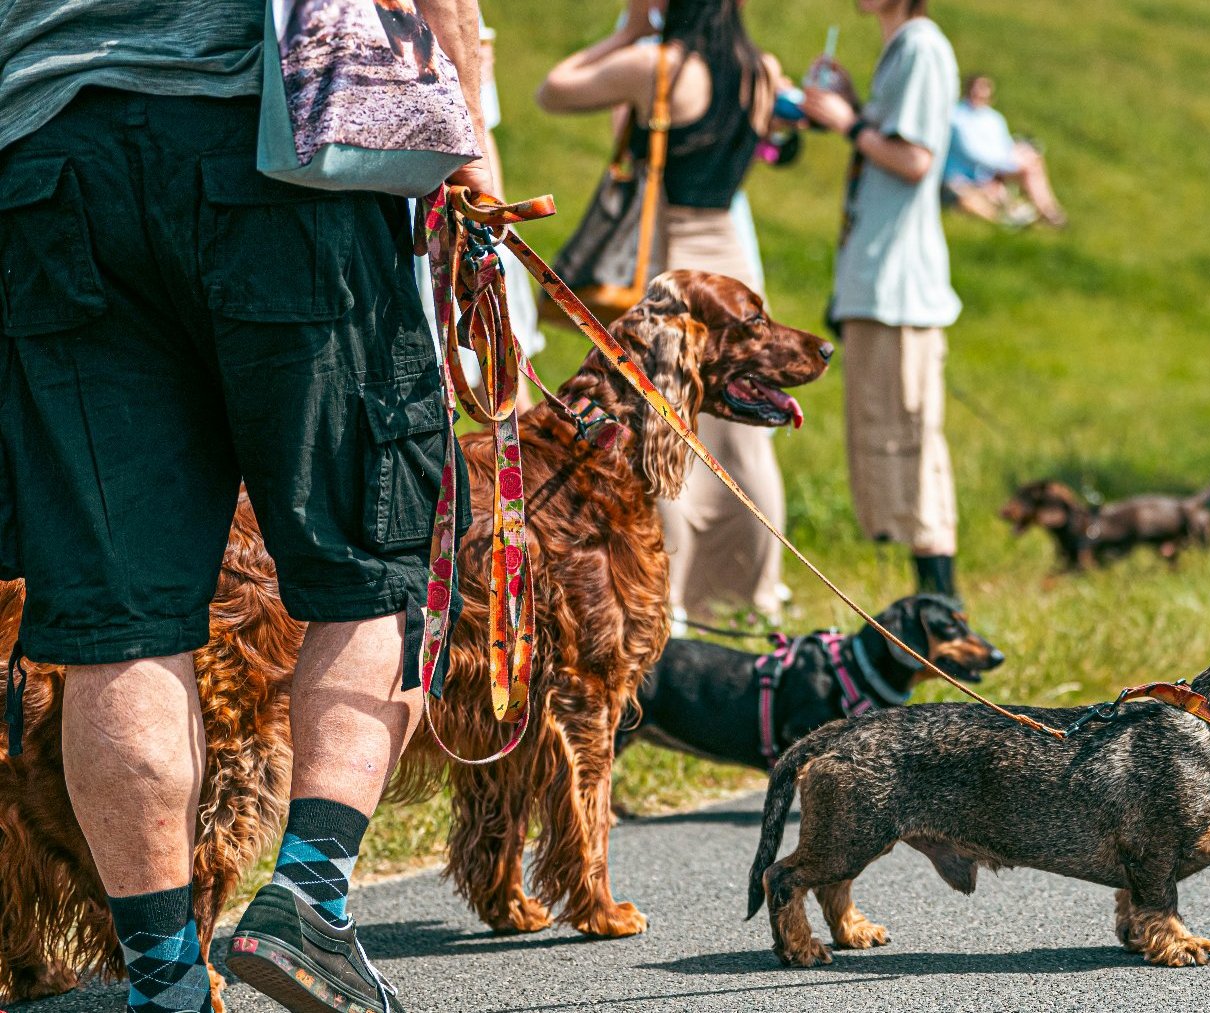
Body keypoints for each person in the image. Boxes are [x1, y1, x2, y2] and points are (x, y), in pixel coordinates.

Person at [0, 2, 493, 1011]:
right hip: (271, 138)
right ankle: (308, 901)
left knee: (116, 619)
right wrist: (466, 151)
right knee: (376, 558)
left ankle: (165, 978)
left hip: (50, 164)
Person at [539, 0, 793, 627]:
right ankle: (751, 595)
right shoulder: (761, 69)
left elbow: (554, 91)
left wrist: (623, 32)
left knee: (664, 428)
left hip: (673, 261)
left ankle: (669, 595)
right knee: (745, 438)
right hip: (732, 261)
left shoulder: (658, 66)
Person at [801, 0, 963, 599]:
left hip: (899, 288)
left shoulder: (920, 46)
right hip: (880, 285)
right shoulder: (905, 47)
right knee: (892, 437)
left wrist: (847, 122)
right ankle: (931, 604)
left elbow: (915, 160)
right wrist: (858, 106)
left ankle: (940, 606)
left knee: (909, 440)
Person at [944, 73, 1066, 228]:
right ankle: (1007, 220)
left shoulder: (994, 118)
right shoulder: (957, 117)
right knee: (969, 201)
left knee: (1032, 161)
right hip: (961, 178)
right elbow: (973, 154)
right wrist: (1012, 162)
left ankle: (1048, 211)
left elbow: (1003, 145)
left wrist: (1021, 153)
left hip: (988, 173)